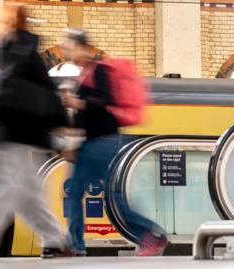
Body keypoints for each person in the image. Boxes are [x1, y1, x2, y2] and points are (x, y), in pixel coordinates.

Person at [0, 4, 68, 259]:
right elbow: (47, 88)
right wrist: (60, 121)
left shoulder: (10, 51)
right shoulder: (25, 49)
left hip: (11, 131)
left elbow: (26, 89)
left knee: (14, 189)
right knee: (17, 189)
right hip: (21, 132)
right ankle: (51, 238)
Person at [61, 28, 168, 256]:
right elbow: (85, 115)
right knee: (74, 192)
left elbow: (104, 101)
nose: (67, 50)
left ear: (82, 47)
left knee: (113, 195)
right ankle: (75, 245)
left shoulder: (98, 71)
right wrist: (71, 141)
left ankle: (151, 235)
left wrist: (76, 103)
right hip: (89, 144)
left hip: (104, 142)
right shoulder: (82, 76)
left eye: (70, 46)